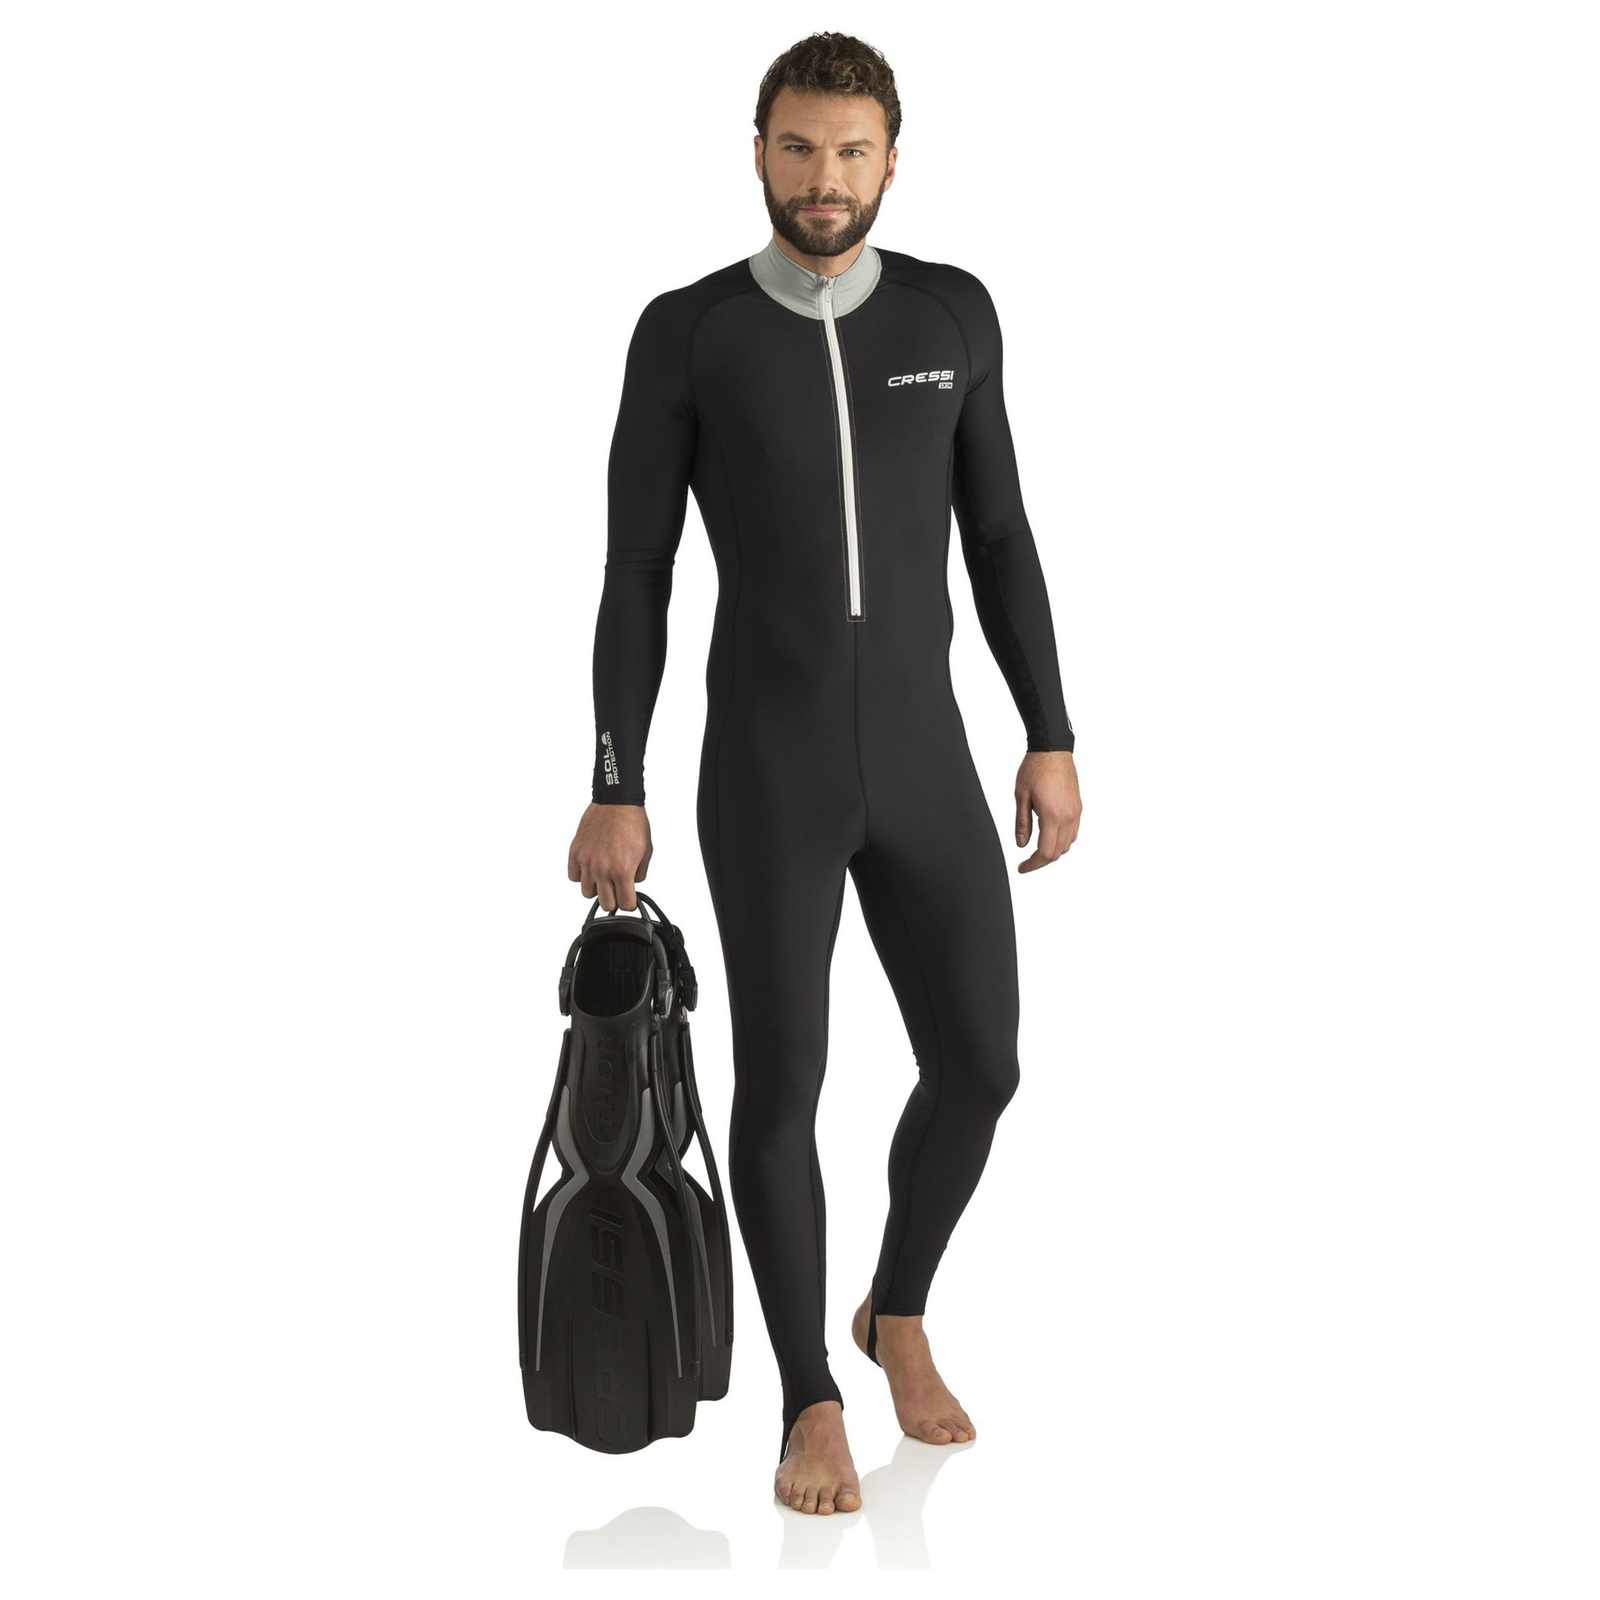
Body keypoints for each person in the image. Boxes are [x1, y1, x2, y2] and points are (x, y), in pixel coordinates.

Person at [566, 32, 1082, 1515]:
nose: (825, 179)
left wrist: (1050, 730)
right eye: (798, 148)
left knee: (981, 1064)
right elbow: (638, 571)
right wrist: (616, 776)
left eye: (852, 152)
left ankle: (895, 1306)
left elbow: (1000, 535)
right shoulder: (691, 332)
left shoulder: (951, 312)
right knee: (785, 1080)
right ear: (759, 152)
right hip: (769, 766)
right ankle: (810, 1396)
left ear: (892, 161)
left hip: (925, 757)